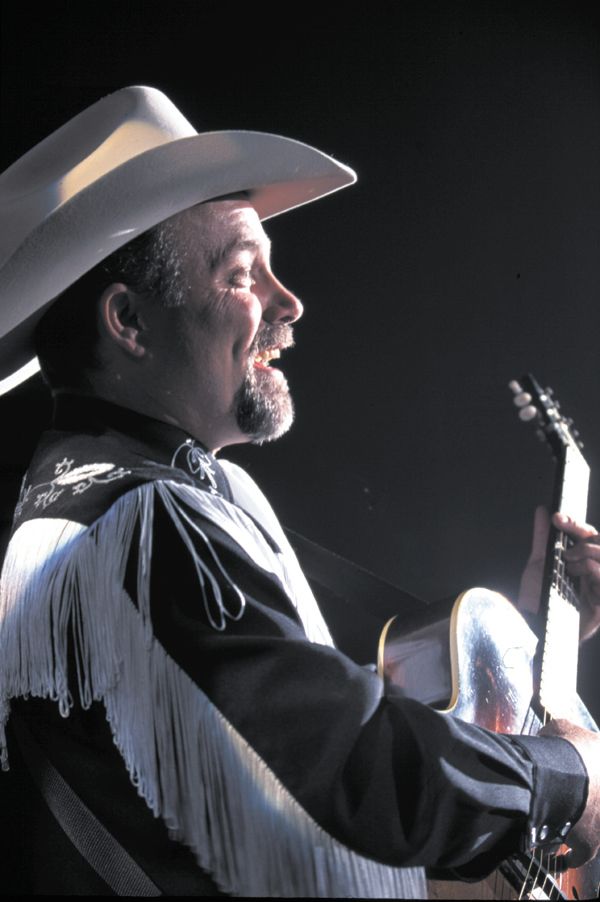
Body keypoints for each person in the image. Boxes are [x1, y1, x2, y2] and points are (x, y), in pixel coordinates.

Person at [0, 85, 598, 899]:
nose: (290, 302)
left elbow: (301, 750)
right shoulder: (141, 523)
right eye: (244, 274)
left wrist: (532, 642)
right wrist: (566, 782)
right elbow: (358, 770)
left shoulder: (110, 502)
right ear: (129, 322)